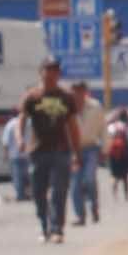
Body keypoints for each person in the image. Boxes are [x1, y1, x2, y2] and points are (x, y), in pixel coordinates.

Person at [18, 57, 81, 244]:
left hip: (61, 151)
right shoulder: (32, 97)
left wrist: (77, 153)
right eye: (48, 70)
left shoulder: (66, 98)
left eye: (55, 70)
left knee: (59, 191)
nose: (51, 74)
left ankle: (57, 229)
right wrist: (20, 139)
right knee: (38, 192)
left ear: (59, 74)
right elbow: (21, 120)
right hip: (38, 151)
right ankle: (43, 226)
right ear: (41, 72)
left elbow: (73, 126)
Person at [69, 82, 105, 227]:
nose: (77, 94)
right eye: (75, 91)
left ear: (85, 92)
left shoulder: (95, 107)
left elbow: (103, 128)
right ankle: (80, 216)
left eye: (80, 91)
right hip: (73, 150)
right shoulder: (68, 108)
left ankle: (94, 207)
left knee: (89, 179)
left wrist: (105, 149)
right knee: (76, 184)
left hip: (91, 148)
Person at [1, 107, 29, 202]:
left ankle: (20, 195)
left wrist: (5, 155)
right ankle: (27, 194)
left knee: (17, 177)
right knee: (27, 176)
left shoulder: (10, 124)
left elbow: (5, 142)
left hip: (14, 155)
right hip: (27, 154)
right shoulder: (28, 123)